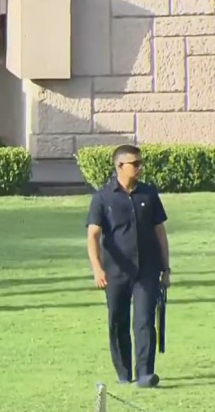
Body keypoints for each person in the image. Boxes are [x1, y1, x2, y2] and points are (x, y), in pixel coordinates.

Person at [86, 144, 171, 389]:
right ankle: (124, 372)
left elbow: (160, 232)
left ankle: (145, 374)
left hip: (147, 269)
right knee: (118, 321)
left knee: (144, 321)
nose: (140, 167)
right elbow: (93, 236)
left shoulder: (149, 194)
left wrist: (166, 268)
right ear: (119, 166)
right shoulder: (102, 198)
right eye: (135, 164)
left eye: (140, 163)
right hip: (115, 272)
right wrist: (97, 268)